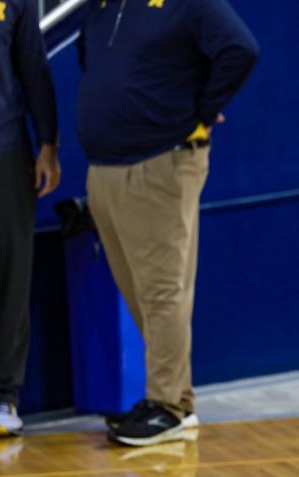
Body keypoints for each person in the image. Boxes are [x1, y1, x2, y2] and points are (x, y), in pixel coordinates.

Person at [76, 0, 258, 446]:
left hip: (161, 162)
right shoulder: (101, 9)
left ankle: (169, 407)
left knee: (162, 289)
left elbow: (240, 48)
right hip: (105, 166)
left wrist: (198, 109)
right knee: (139, 288)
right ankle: (171, 396)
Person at [0, 0, 60, 438]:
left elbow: (33, 66)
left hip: (5, 154)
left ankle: (3, 397)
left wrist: (48, 143)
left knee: (10, 282)